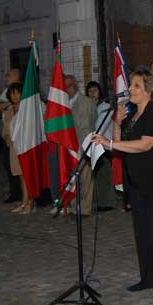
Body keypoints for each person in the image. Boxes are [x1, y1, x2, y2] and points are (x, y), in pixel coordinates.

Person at [91, 67, 153, 299]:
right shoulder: (132, 115)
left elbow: (144, 145)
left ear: (149, 90)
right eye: (130, 85)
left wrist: (109, 143)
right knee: (143, 232)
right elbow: (122, 145)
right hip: (139, 184)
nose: (129, 89)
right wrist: (118, 124)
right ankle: (149, 277)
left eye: (136, 85)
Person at [65, 74, 97, 216]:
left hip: (84, 144)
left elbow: (90, 123)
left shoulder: (86, 102)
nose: (68, 89)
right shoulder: (63, 103)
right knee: (72, 178)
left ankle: (85, 208)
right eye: (65, 87)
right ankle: (73, 205)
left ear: (76, 85)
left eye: (70, 86)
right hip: (69, 146)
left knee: (86, 178)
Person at [3, 83, 35, 214]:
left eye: (17, 93)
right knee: (21, 177)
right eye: (12, 93)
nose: (15, 96)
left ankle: (30, 203)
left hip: (26, 147)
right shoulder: (9, 112)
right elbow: (5, 131)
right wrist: (7, 139)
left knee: (29, 176)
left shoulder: (27, 109)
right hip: (14, 148)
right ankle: (24, 202)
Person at [86, 81, 116, 211]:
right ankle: (99, 201)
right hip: (92, 144)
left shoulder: (105, 107)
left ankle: (107, 202)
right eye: (90, 91)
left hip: (104, 144)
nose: (92, 93)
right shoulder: (87, 106)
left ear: (100, 92)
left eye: (95, 90)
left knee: (105, 174)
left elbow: (101, 127)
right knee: (96, 175)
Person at [0, 68, 22, 203]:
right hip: (7, 133)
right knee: (8, 163)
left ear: (17, 76)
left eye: (9, 75)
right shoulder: (6, 92)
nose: (6, 77)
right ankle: (15, 192)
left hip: (20, 133)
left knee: (19, 165)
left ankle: (23, 192)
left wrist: (11, 103)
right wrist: (10, 102)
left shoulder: (23, 88)